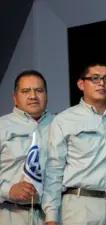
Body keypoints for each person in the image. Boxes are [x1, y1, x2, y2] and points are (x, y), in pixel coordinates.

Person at [42, 63, 106, 225]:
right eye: (95, 78)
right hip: (80, 206)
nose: (101, 83)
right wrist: (51, 216)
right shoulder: (65, 119)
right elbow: (54, 170)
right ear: (81, 84)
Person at [0, 70, 54, 225]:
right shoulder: (1, 126)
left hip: (52, 217)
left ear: (47, 96)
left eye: (39, 90)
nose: (33, 96)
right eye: (25, 91)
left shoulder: (61, 125)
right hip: (9, 214)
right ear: (15, 98)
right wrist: (8, 190)